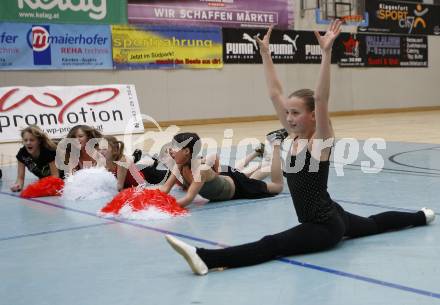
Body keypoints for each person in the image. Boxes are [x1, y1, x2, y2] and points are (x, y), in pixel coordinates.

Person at [164, 20, 435, 275]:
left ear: (314, 115)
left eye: (296, 113)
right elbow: (274, 92)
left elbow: (321, 97)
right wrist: (266, 54)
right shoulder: (292, 136)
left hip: (324, 225)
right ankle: (421, 216)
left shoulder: (320, 142)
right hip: (333, 212)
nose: (290, 117)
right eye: (288, 113)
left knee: (272, 244)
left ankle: (207, 259)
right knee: (374, 224)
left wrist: (326, 54)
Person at [159, 131, 284, 207]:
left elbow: (188, 198)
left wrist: (164, 207)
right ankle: (267, 162)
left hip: (236, 189)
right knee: (250, 177)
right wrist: (150, 200)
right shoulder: (179, 165)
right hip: (227, 180)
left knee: (277, 187)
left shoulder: (200, 171)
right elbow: (165, 188)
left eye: (174, 147)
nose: (170, 150)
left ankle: (276, 144)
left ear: (186, 151)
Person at [10, 125, 58, 192]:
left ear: (39, 141)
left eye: (32, 140)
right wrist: (17, 186)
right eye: (25, 140)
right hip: (46, 181)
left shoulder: (48, 151)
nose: (28, 143)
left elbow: (55, 176)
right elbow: (20, 178)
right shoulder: (22, 154)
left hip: (63, 178)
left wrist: (42, 188)